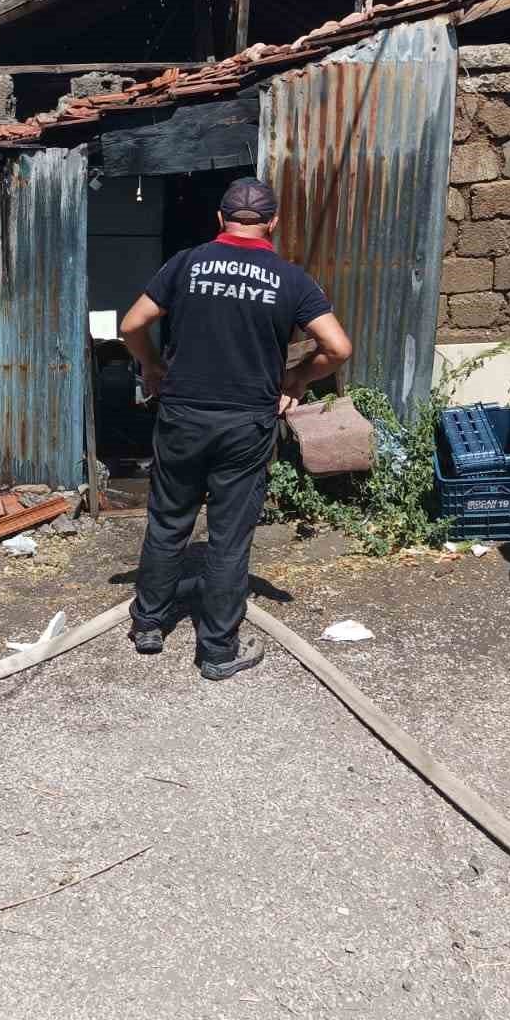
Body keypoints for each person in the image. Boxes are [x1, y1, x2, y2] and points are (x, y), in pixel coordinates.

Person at [120, 177, 352, 680]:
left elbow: (132, 324)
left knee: (168, 520)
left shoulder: (186, 264)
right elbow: (338, 348)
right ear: (271, 224)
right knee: (228, 537)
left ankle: (149, 626)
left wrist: (152, 368)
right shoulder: (291, 279)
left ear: (220, 220)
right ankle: (218, 651)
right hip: (246, 423)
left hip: (183, 415)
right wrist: (298, 377)